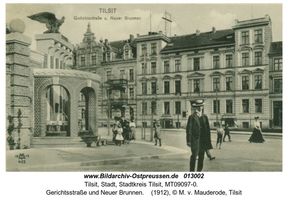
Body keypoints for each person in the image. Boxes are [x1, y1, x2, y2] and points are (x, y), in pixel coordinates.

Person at [186, 99, 213, 172]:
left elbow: (207, 130)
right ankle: (191, 172)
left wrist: (208, 142)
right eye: (198, 106)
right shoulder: (192, 117)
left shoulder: (205, 117)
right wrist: (188, 140)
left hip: (203, 141)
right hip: (195, 140)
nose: (200, 107)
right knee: (194, 156)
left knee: (201, 157)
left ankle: (199, 172)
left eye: (201, 106)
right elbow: (189, 129)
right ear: (196, 107)